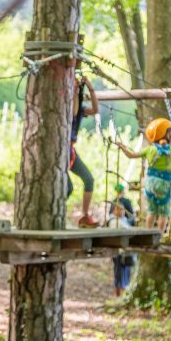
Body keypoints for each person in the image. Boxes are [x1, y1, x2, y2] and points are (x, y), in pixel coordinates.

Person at [117, 118, 171, 231]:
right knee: (163, 213)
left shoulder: (150, 149)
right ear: (165, 134)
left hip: (150, 184)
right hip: (164, 185)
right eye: (169, 132)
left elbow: (131, 155)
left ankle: (148, 233)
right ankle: (160, 235)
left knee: (152, 211)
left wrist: (123, 148)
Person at [68, 75, 100, 228]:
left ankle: (85, 215)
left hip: (70, 150)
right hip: (62, 150)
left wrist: (91, 88)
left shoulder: (80, 108)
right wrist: (74, 90)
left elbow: (95, 110)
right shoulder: (65, 105)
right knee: (67, 187)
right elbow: (73, 113)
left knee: (89, 180)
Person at [107, 198, 135, 296]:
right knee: (119, 275)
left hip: (125, 252)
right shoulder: (114, 221)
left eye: (123, 210)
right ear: (114, 210)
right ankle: (118, 295)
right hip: (119, 252)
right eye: (119, 209)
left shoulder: (123, 220)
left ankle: (123, 294)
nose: (122, 212)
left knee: (125, 274)